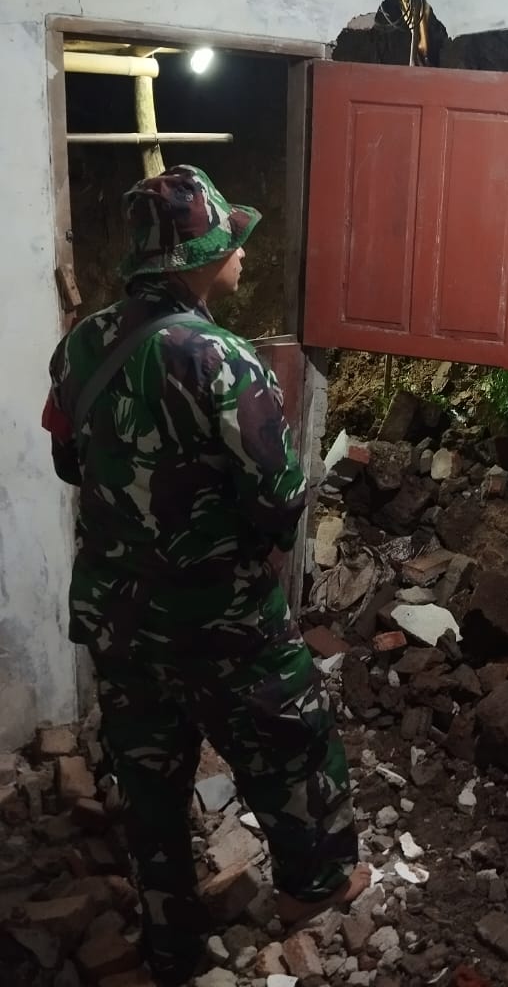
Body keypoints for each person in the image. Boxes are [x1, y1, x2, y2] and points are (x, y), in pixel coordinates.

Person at [43, 166, 368, 986]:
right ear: (196, 256)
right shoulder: (220, 358)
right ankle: (313, 888)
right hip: (220, 618)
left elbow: (67, 463)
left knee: (148, 780)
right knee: (293, 744)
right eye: (232, 243)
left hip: (118, 615)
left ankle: (170, 940)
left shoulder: (82, 343)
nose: (243, 255)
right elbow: (280, 495)